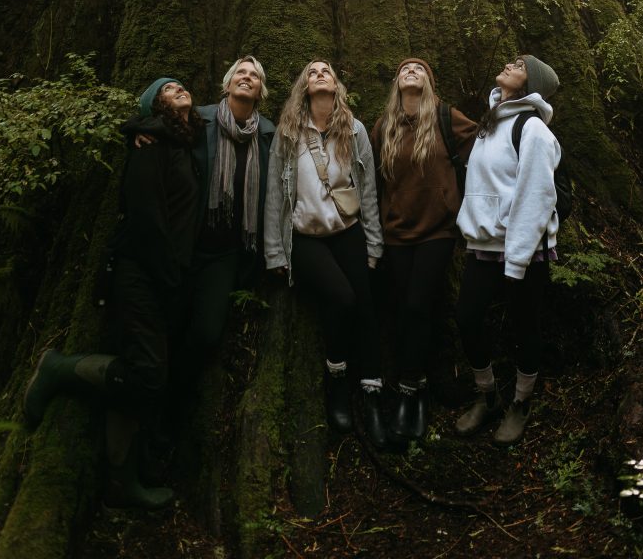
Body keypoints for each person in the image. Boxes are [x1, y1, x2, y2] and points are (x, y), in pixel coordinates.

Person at [24, 77, 203, 508]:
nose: (178, 87)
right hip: (142, 274)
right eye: (167, 88)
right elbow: (144, 217)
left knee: (140, 370)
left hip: (163, 277)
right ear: (153, 105)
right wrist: (167, 274)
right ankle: (59, 369)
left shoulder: (181, 141)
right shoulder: (151, 142)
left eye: (180, 84)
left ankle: (124, 481)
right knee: (146, 375)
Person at [264, 60, 386, 449]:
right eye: (312, 71)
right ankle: (337, 381)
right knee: (343, 298)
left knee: (366, 305)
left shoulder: (354, 129)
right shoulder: (288, 133)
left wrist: (374, 240)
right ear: (304, 84)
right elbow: (273, 195)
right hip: (305, 238)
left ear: (336, 85)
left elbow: (366, 189)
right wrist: (274, 252)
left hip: (348, 231)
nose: (319, 74)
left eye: (326, 71)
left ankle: (371, 394)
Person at [132, 56, 275, 358]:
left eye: (254, 75)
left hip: (224, 255)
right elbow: (162, 129)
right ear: (227, 84)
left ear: (261, 89)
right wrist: (138, 132)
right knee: (164, 325)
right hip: (186, 243)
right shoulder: (200, 120)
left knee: (207, 333)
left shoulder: (267, 134)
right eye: (240, 72)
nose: (247, 77)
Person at [454, 54, 561, 446]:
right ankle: (488, 396)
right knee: (467, 317)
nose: (510, 64)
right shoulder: (490, 121)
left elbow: (536, 196)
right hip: (484, 245)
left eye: (520, 64)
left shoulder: (532, 128)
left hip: (524, 249)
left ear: (530, 82)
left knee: (524, 327)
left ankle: (520, 404)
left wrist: (516, 262)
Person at [370, 58, 477, 444]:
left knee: (417, 306)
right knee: (405, 309)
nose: (410, 70)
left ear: (429, 82)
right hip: (397, 233)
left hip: (438, 231)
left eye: (419, 68)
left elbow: (484, 147)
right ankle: (419, 387)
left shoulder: (447, 118)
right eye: (404, 68)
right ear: (397, 82)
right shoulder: (383, 128)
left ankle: (408, 390)